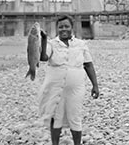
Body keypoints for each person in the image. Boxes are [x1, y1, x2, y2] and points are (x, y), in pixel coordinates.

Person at [38, 15, 99, 145]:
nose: (63, 29)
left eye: (66, 26)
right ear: (57, 28)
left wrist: (95, 85)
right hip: (55, 89)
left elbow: (88, 65)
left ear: (72, 27)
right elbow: (43, 57)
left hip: (76, 89)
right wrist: (43, 39)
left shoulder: (81, 44)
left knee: (75, 116)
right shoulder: (51, 44)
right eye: (60, 27)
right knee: (56, 116)